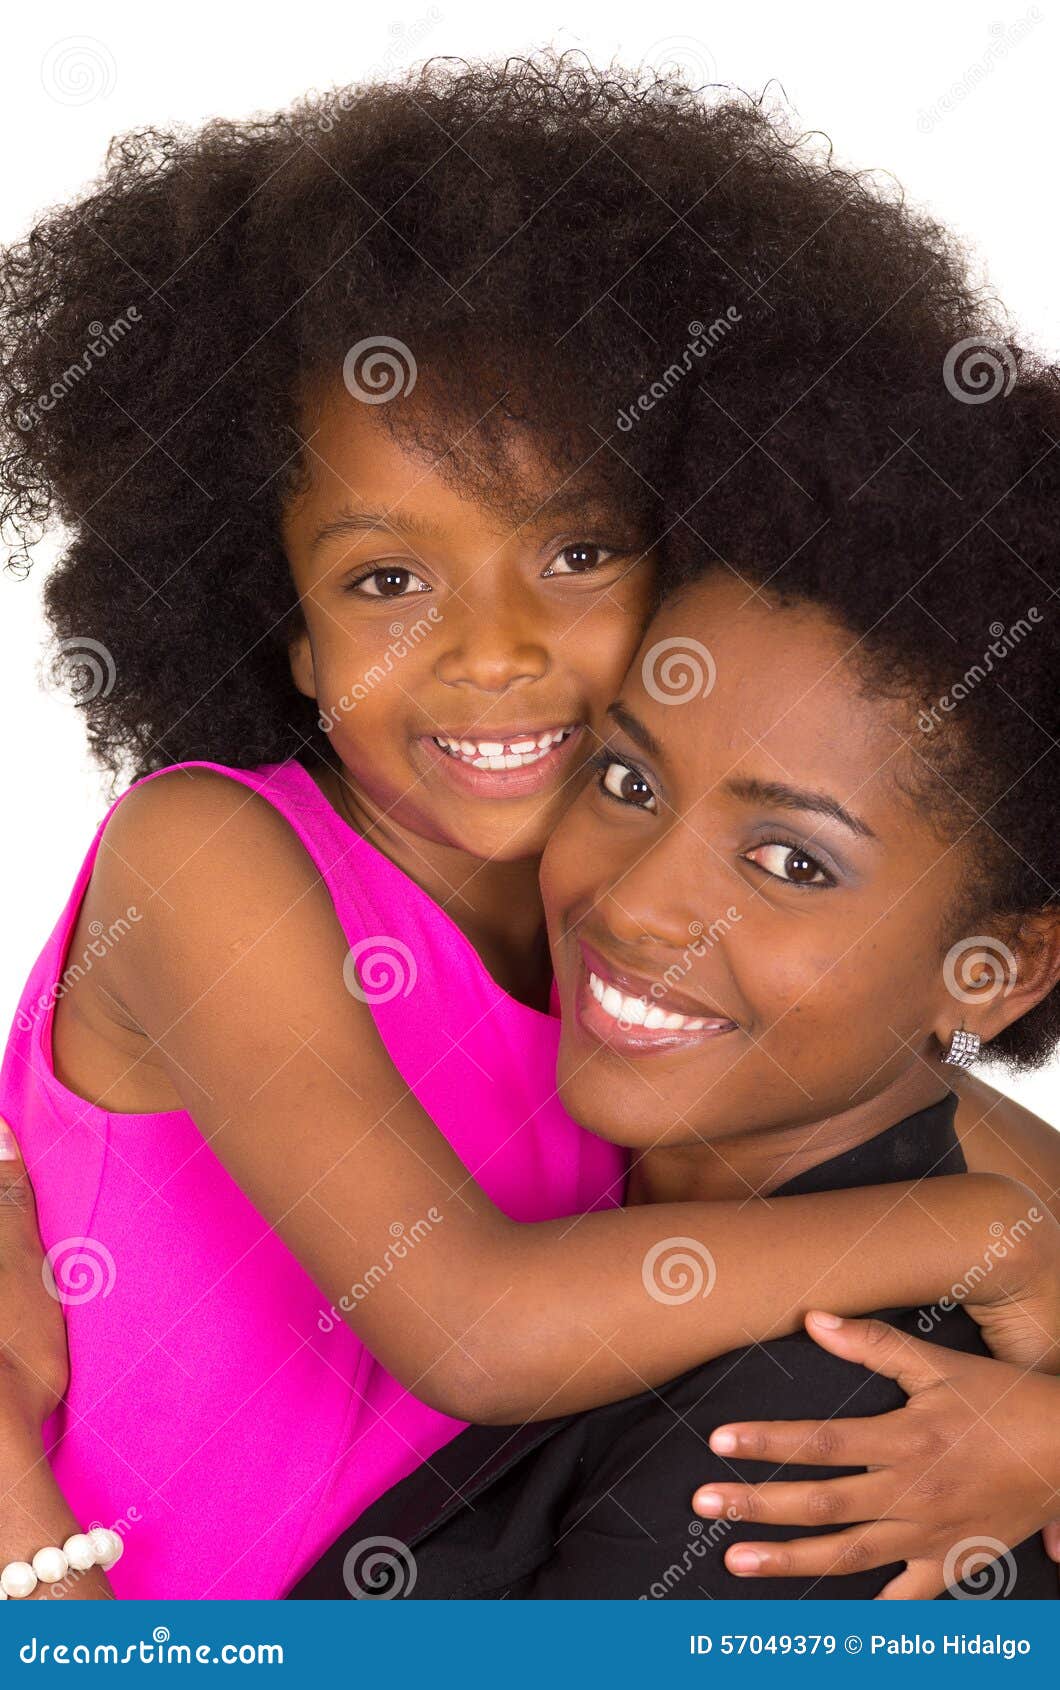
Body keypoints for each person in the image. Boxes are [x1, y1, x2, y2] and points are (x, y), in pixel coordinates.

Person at [0, 57, 1057, 1601]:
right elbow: (470, 1322)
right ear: (278, 624)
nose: (490, 650)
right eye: (384, 580)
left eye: (573, 547)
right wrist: (989, 1242)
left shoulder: (620, 905)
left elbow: (958, 1130)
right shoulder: (211, 859)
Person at [291, 352, 1060, 1598]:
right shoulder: (602, 1166)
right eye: (629, 781)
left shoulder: (831, 1450)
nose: (635, 904)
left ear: (998, 969)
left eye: (789, 860)